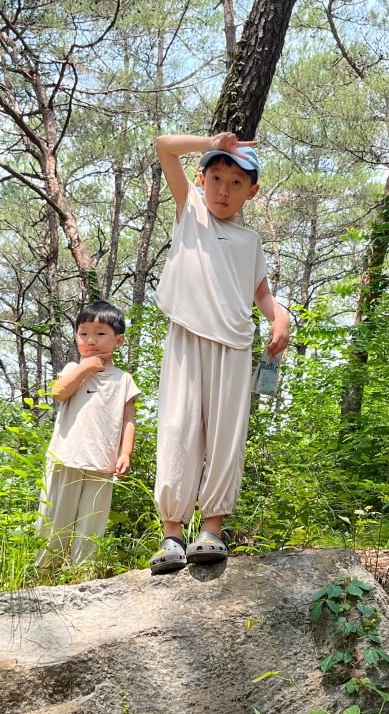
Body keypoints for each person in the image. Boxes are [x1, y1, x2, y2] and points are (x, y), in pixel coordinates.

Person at [149, 132, 290, 575]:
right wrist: (210, 141)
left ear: (252, 191)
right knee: (178, 426)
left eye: (235, 182)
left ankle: (211, 529)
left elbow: (261, 294)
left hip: (235, 344)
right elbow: (162, 147)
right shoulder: (191, 212)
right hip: (188, 336)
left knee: (226, 435)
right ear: (201, 179)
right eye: (216, 178)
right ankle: (172, 532)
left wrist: (280, 318)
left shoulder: (251, 243)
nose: (223, 190)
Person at [36, 300, 140, 567]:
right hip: (66, 457)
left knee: (91, 522)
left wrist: (125, 453)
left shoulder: (123, 379)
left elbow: (129, 420)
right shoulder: (73, 370)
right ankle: (45, 571)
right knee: (54, 517)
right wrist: (84, 368)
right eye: (83, 333)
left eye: (100, 333)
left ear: (118, 341)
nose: (90, 340)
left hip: (102, 463)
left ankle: (82, 572)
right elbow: (58, 393)